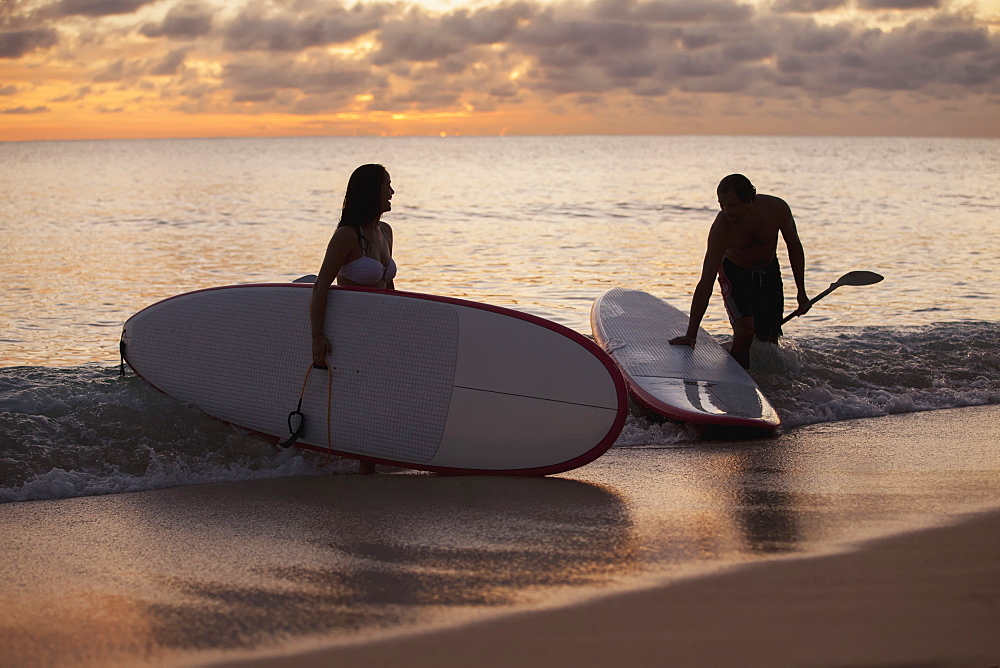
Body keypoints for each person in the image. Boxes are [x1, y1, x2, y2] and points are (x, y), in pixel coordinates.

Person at [669, 174, 809, 368]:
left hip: (768, 272)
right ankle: (739, 382)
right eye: (721, 204)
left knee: (768, 339)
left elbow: (794, 246)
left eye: (732, 205)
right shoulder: (721, 230)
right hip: (735, 275)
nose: (726, 211)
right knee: (744, 333)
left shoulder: (777, 209)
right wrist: (691, 334)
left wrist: (801, 293)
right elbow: (706, 282)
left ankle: (763, 384)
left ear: (749, 199)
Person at [309, 163, 395, 474]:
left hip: (380, 331)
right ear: (372, 192)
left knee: (381, 395)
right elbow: (321, 285)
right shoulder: (347, 236)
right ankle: (364, 464)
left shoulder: (385, 232)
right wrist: (317, 336)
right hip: (352, 331)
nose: (392, 192)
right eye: (387, 185)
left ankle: (370, 459)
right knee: (362, 397)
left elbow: (389, 284)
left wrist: (401, 323)